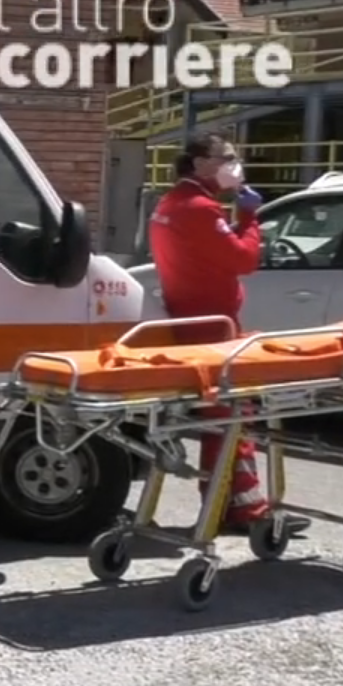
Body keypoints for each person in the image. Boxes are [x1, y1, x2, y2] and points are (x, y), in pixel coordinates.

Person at [147, 133, 271, 533]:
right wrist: (251, 219)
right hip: (212, 330)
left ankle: (229, 503)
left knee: (227, 419)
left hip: (190, 322)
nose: (235, 165)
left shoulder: (170, 205)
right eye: (226, 158)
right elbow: (245, 258)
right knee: (232, 419)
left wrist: (233, 221)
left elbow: (208, 254)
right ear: (200, 163)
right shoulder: (199, 208)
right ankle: (239, 509)